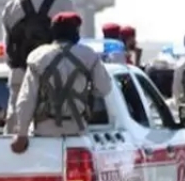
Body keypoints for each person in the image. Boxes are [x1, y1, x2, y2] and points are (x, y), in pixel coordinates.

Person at [7, 12, 113, 154]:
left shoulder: (38, 57)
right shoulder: (89, 56)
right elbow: (104, 88)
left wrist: (22, 134)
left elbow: (27, 99)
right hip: (76, 129)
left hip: (45, 132)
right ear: (76, 32)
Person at [0, 0, 77, 119]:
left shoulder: (11, 7)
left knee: (15, 128)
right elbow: (72, 46)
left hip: (20, 76)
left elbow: (8, 49)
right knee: (53, 127)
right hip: (55, 78)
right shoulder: (65, 5)